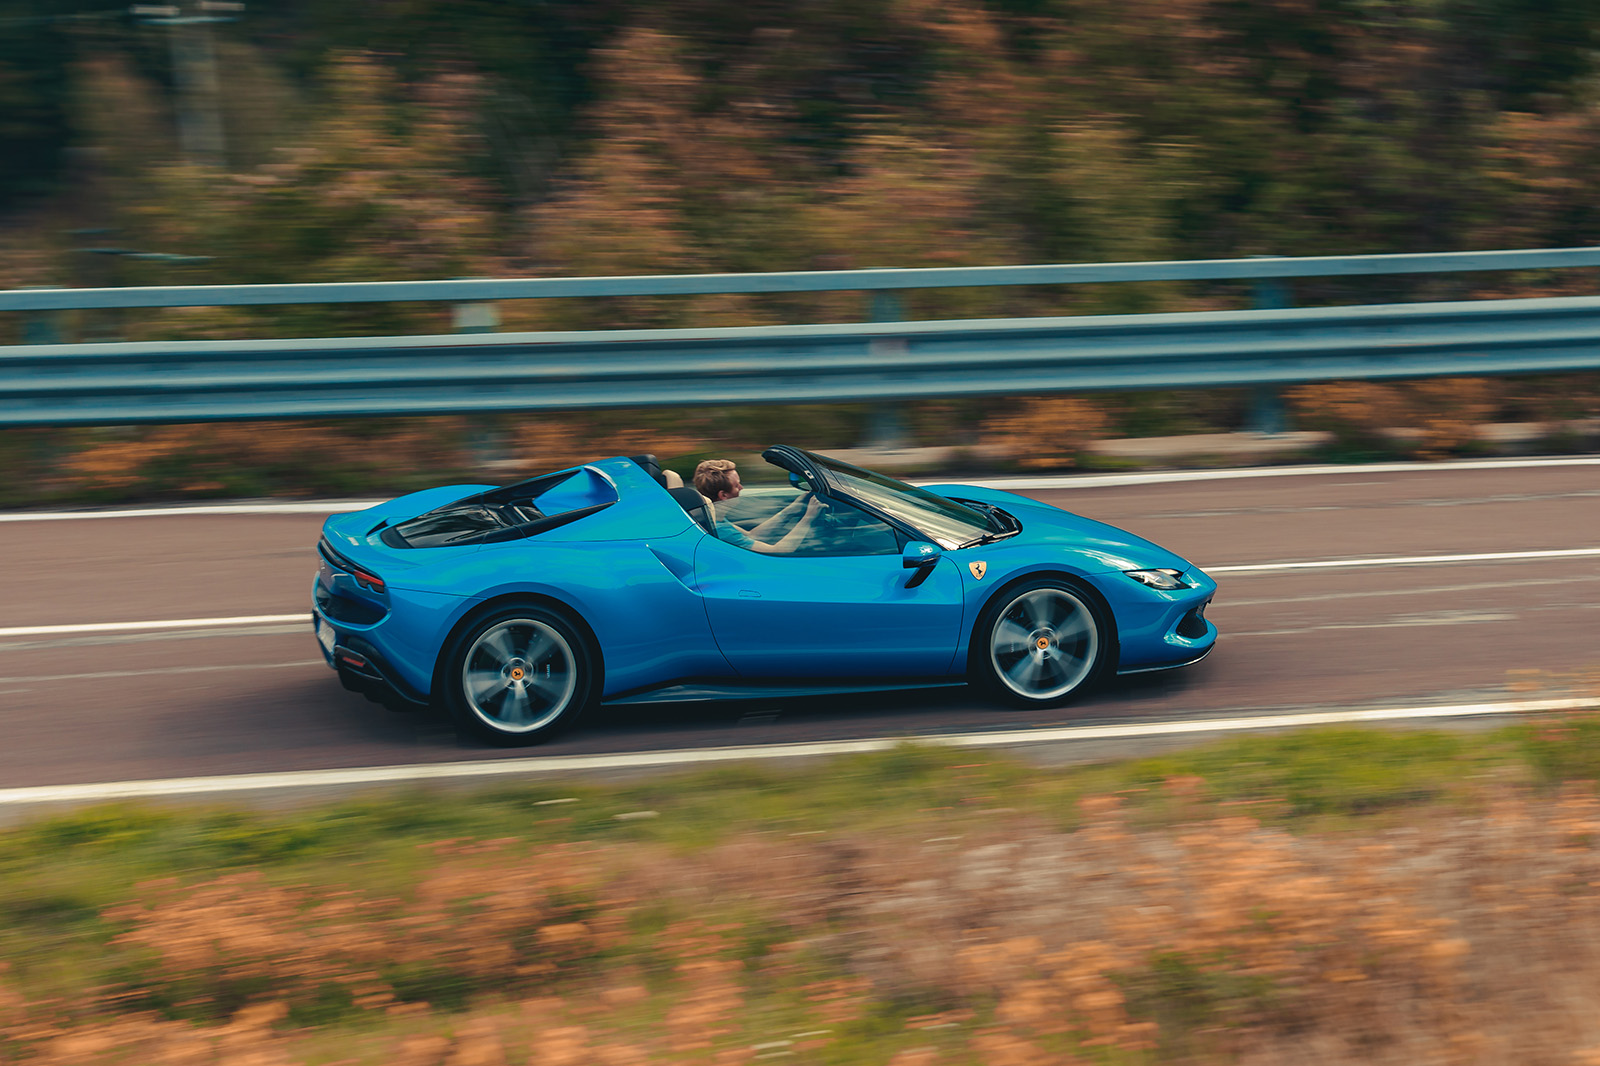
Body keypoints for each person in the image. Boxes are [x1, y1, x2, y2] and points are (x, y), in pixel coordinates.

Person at [692, 459, 825, 554]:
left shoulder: (713, 517)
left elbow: (752, 535)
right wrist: (809, 517)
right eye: (736, 485)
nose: (741, 487)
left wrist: (792, 509)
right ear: (724, 495)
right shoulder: (720, 530)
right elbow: (777, 550)